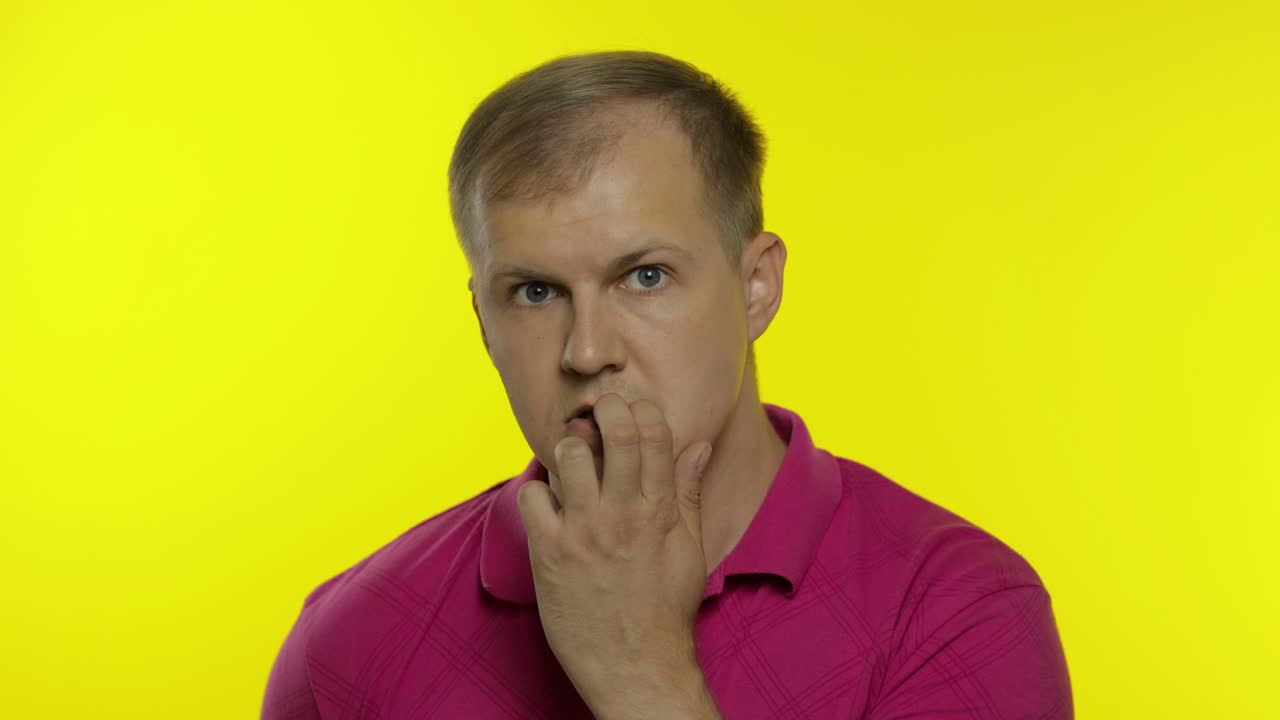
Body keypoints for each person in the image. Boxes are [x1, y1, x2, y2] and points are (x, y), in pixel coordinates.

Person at [262, 50, 1072, 719]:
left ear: (756, 287)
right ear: (482, 321)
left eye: (644, 277)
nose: (587, 351)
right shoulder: (350, 641)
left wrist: (641, 675)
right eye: (536, 293)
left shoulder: (958, 611)